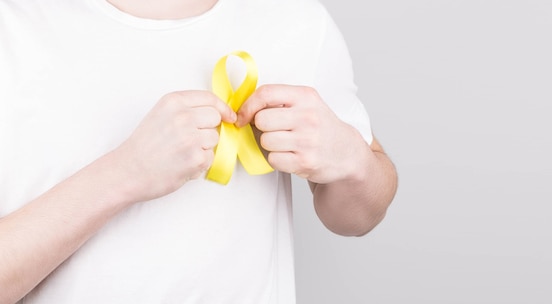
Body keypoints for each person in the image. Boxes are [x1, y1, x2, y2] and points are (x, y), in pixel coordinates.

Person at [0, 0, 398, 303]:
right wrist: (126, 173)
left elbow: (359, 218)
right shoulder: (14, 26)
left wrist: (353, 161)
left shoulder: (294, 18)